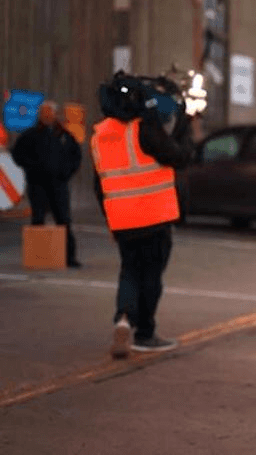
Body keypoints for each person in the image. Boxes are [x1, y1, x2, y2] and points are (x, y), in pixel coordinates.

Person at [91, 72, 194, 359]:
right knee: (151, 275)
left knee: (129, 271)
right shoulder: (144, 128)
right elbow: (178, 156)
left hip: (123, 219)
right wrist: (185, 125)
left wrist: (111, 217)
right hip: (154, 216)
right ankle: (145, 333)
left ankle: (124, 318)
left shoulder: (100, 135)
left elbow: (99, 185)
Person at [11, 101, 82, 267]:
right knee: (38, 220)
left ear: (55, 114)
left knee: (63, 220)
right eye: (44, 112)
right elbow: (18, 155)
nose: (47, 115)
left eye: (49, 112)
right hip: (38, 185)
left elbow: (75, 156)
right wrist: (32, 168)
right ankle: (38, 257)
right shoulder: (31, 135)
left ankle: (69, 258)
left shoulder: (64, 135)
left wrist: (66, 172)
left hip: (59, 185)